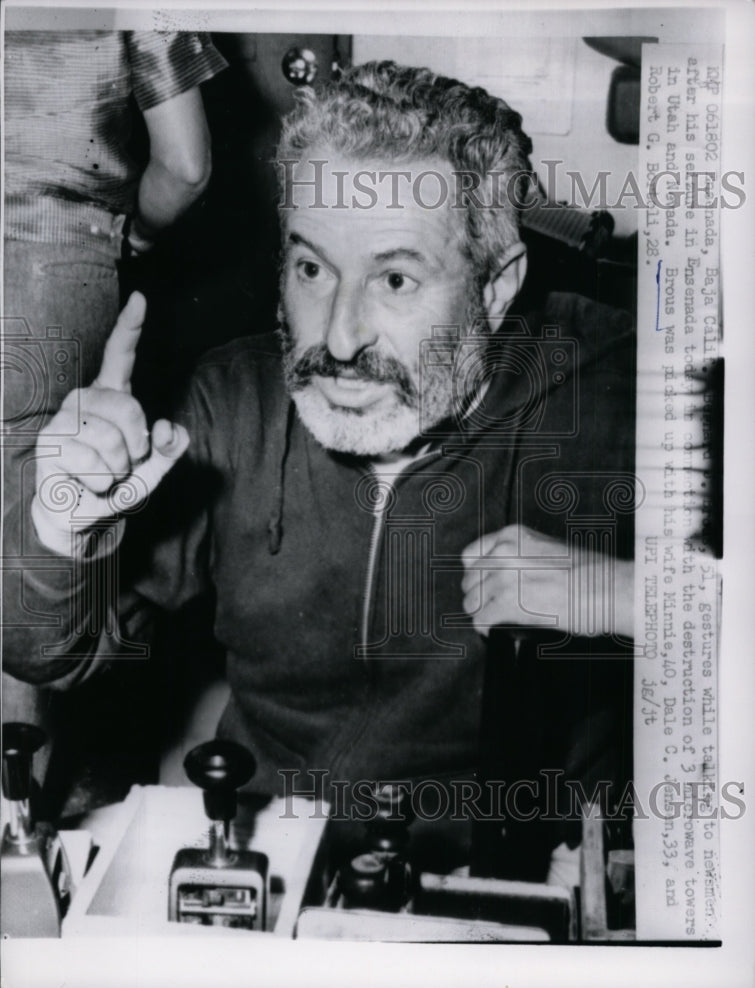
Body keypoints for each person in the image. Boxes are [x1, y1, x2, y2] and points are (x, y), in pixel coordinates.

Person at [3, 62, 636, 881]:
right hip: (268, 860)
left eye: (395, 279)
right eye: (310, 269)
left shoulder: (623, 388)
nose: (337, 339)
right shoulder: (235, 399)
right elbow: (44, 652)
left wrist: (630, 593)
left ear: (496, 286)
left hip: (518, 886)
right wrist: (64, 515)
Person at [2, 29, 227, 771]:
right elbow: (187, 168)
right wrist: (134, 240)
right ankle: (21, 839)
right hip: (52, 286)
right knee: (31, 560)